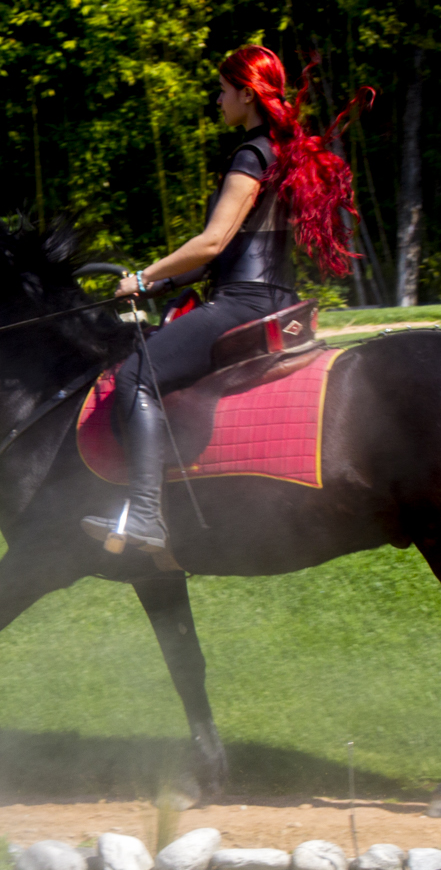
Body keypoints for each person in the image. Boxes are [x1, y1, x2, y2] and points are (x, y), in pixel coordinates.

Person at [84, 45, 370, 554]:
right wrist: (158, 285)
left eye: (222, 90)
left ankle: (145, 516)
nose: (217, 100)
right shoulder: (281, 151)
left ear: (246, 93)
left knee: (135, 376)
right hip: (275, 298)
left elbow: (212, 243)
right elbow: (226, 252)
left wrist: (142, 276)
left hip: (242, 302)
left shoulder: (250, 155)